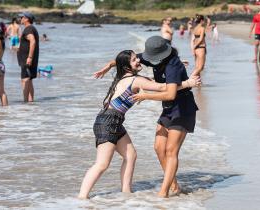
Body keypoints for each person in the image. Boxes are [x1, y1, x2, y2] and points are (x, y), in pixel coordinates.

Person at [78, 49, 200, 199]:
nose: (139, 61)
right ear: (127, 67)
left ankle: (126, 193)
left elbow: (159, 82)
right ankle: (82, 198)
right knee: (102, 164)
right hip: (108, 123)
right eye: (134, 60)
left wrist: (174, 69)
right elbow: (163, 87)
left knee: (130, 155)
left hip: (112, 121)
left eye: (137, 58)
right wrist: (188, 83)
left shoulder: (126, 76)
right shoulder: (136, 80)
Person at [17, 12, 39, 102]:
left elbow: (32, 42)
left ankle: (25, 102)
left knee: (25, 80)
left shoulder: (29, 29)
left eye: (22, 17)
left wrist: (29, 57)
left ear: (27, 19)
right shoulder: (31, 28)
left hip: (27, 59)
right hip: (27, 59)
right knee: (29, 80)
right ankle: (30, 102)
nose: (20, 19)